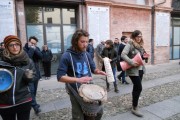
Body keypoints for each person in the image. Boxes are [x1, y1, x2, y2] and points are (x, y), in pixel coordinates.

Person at [57, 29, 106, 120]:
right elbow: (60, 77)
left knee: (98, 112)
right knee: (78, 116)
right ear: (75, 41)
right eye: (82, 41)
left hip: (89, 88)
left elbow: (93, 69)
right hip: (75, 88)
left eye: (87, 42)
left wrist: (97, 71)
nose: (85, 44)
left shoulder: (86, 54)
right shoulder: (66, 56)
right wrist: (78, 79)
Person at [0, 35, 35, 120]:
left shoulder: (27, 61)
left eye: (17, 44)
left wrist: (29, 77)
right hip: (5, 102)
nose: (15, 47)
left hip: (23, 100)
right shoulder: (1, 61)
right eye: (11, 45)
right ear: (6, 47)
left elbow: (33, 78)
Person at [121, 30, 148, 117]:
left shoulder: (140, 45)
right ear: (134, 36)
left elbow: (141, 56)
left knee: (136, 88)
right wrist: (131, 62)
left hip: (140, 69)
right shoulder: (130, 44)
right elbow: (123, 54)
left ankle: (134, 104)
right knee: (139, 88)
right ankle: (134, 108)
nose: (139, 38)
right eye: (138, 36)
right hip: (133, 70)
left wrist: (144, 56)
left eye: (140, 36)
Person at [23, 36, 42, 115]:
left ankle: (33, 103)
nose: (33, 45)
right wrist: (31, 49)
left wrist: (34, 49)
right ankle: (35, 106)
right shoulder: (24, 49)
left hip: (36, 73)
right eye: (32, 43)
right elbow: (28, 59)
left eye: (35, 44)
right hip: (29, 74)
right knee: (31, 90)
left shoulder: (36, 48)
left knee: (34, 91)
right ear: (28, 41)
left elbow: (41, 56)